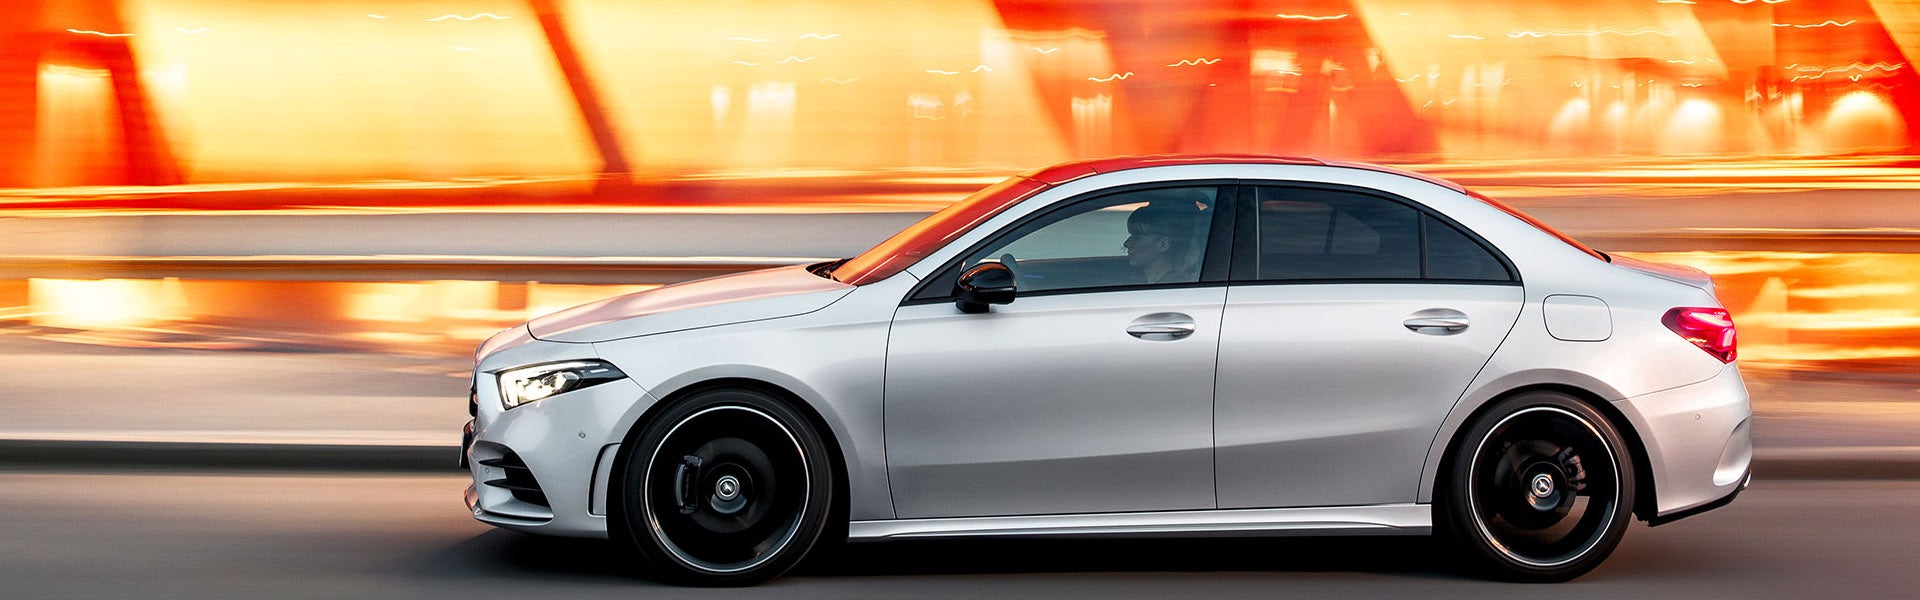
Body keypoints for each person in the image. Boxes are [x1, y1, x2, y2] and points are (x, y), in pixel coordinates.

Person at [1124, 199, 1204, 284]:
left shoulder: (1176, 286)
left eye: (1137, 237)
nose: (1126, 243)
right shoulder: (1136, 281)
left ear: (1163, 244)